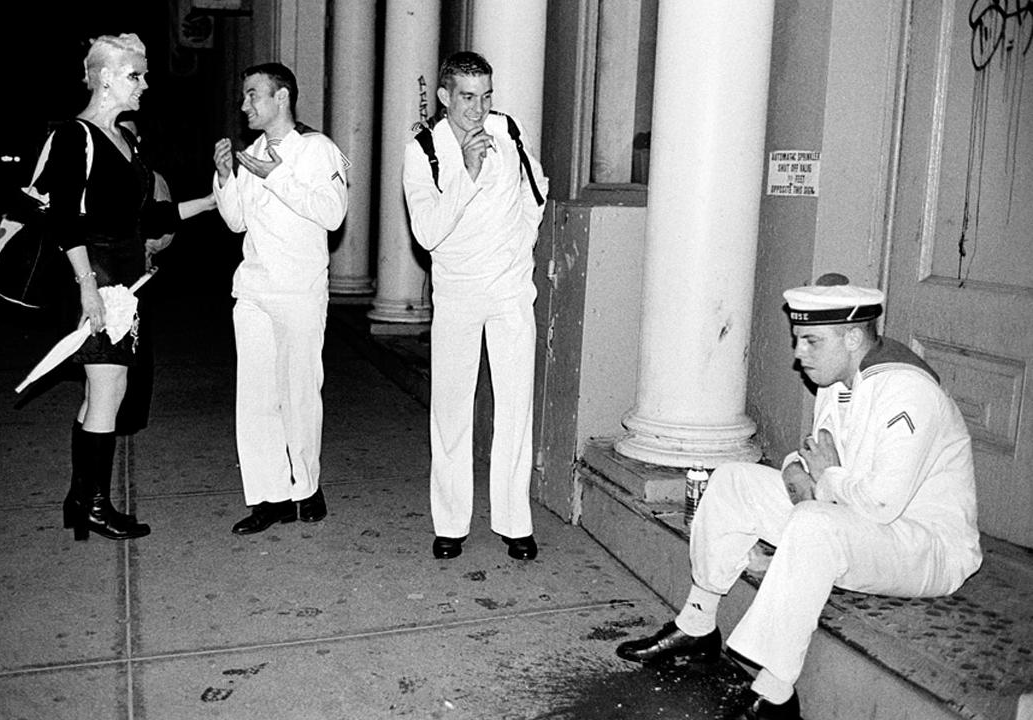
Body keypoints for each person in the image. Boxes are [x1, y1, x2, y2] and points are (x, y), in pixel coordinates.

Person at [614, 273, 982, 720]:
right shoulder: (838, 381)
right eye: (797, 340)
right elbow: (819, 454)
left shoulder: (908, 392)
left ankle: (775, 693)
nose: (798, 354)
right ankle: (697, 624)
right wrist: (795, 467)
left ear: (851, 337)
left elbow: (882, 503)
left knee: (813, 526)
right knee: (732, 480)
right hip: (857, 517)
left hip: (924, 547)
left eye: (810, 341)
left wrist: (824, 478)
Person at [40, 33, 216, 541]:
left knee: (102, 390)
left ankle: (81, 499)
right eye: (135, 75)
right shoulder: (76, 136)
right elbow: (64, 221)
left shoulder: (124, 138)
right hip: (95, 278)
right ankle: (94, 506)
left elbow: (146, 217)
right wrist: (87, 287)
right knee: (109, 389)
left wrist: (207, 202)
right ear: (106, 77)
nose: (144, 84)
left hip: (123, 280)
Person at [401, 51, 549, 561]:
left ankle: (515, 521)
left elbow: (536, 191)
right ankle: (450, 523)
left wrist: (521, 246)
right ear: (444, 97)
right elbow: (426, 231)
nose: (478, 109)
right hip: (458, 292)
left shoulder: (509, 130)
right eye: (467, 97)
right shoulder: (424, 149)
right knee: (451, 410)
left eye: (486, 96)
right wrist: (464, 172)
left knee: (514, 408)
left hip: (510, 291)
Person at [211, 62, 348, 535]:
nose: (245, 105)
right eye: (245, 96)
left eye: (253, 95)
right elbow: (236, 222)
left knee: (299, 393)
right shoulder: (250, 153)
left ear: (282, 97)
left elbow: (332, 214)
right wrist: (227, 177)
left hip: (299, 290)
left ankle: (306, 487)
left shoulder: (318, 150)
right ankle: (268, 498)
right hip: (253, 291)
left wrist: (276, 176)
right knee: (254, 399)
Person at [113, 114, 175, 437]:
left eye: (132, 135)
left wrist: (146, 247)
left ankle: (132, 413)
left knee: (136, 345)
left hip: (139, 277)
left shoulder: (153, 178)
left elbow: (167, 227)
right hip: (105, 276)